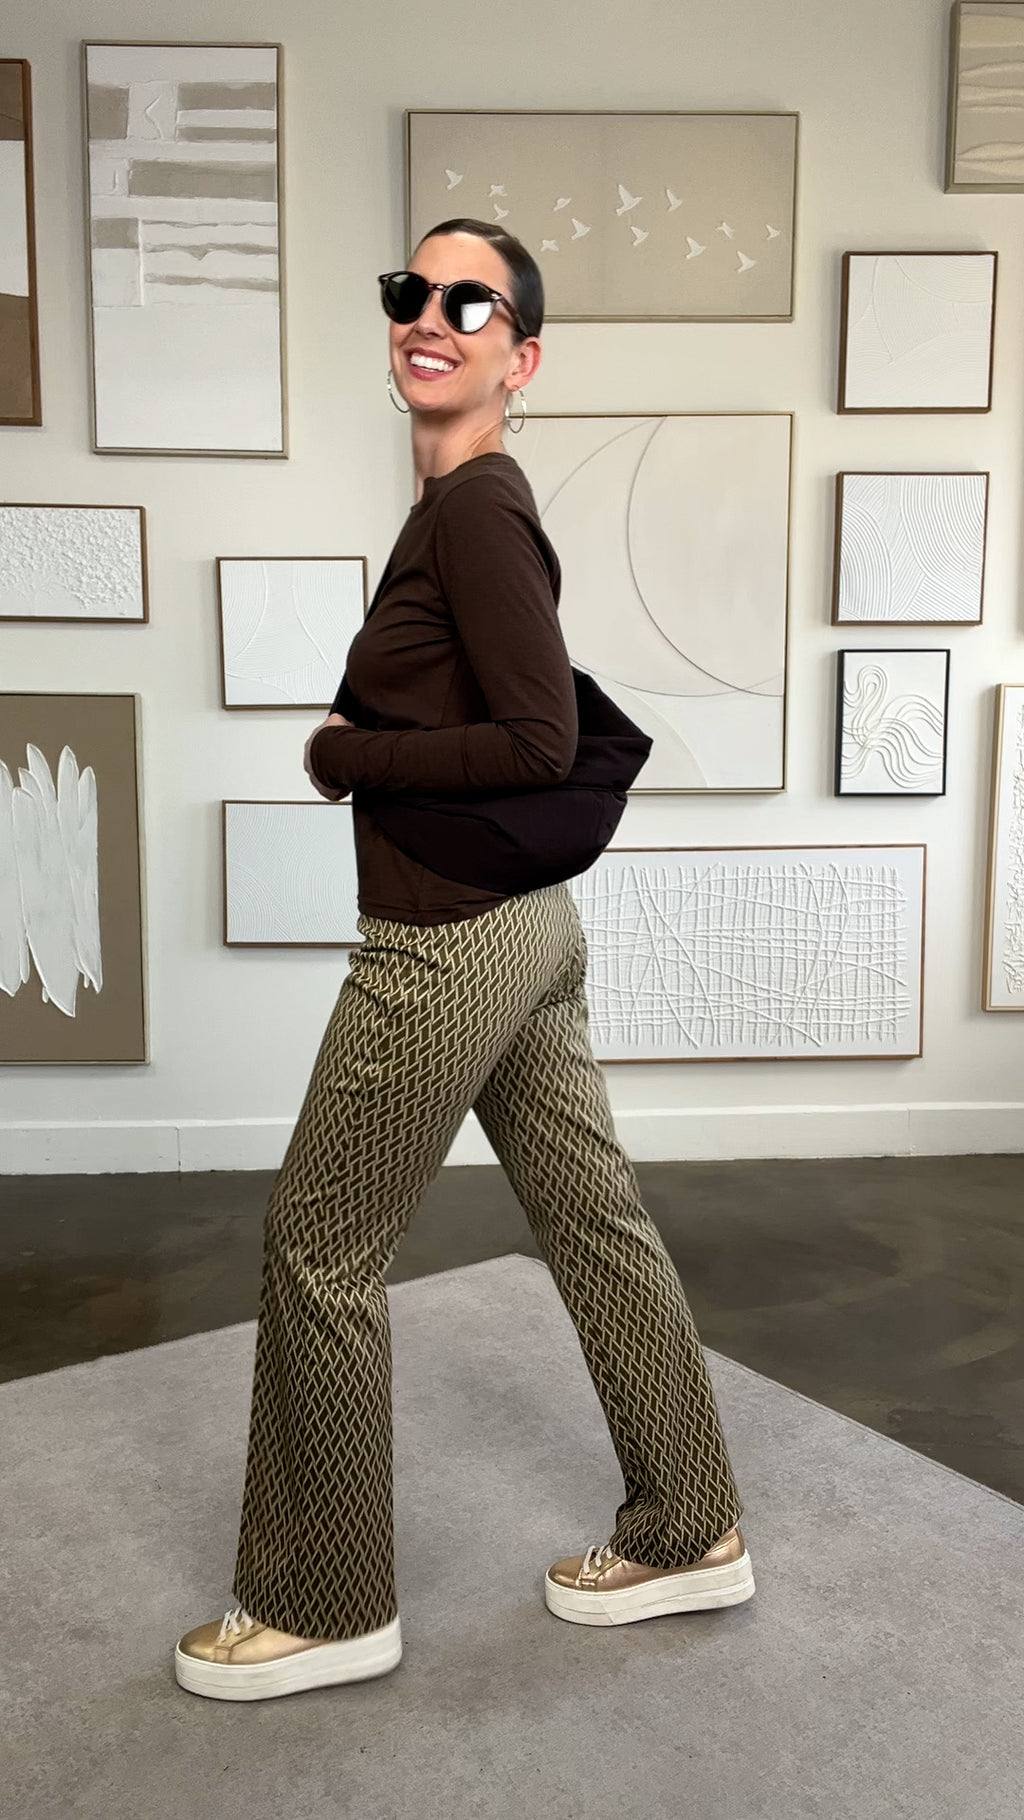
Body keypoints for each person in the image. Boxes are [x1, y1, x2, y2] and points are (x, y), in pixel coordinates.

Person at [174, 219, 753, 1703]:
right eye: (411, 293)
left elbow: (540, 740)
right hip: (524, 929)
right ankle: (690, 1528)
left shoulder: (479, 511)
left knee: (320, 1249)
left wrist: (341, 754)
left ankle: (324, 1602)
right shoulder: (460, 504)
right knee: (595, 1222)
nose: (429, 316)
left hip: (445, 941)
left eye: (469, 302)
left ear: (522, 357)